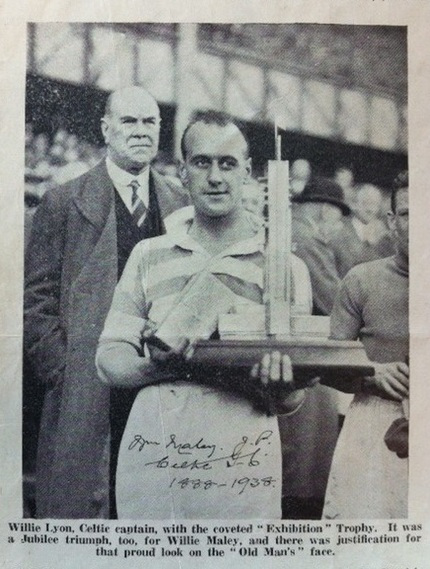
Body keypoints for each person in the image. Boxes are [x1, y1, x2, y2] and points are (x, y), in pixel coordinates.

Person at [96, 111, 314, 519]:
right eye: (202, 162)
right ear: (182, 171)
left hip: (242, 462)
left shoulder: (283, 265)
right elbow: (109, 361)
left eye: (227, 163)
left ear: (247, 172)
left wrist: (278, 383)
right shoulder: (149, 255)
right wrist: (165, 367)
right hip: (157, 458)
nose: (215, 176)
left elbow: (292, 398)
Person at [24, 86, 190, 519]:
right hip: (85, 382)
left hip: (157, 378)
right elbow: (36, 298)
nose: (140, 132)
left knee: (151, 505)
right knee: (82, 505)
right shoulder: (63, 202)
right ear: (106, 129)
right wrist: (62, 368)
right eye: (129, 121)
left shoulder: (179, 203)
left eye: (149, 122)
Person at [323, 171, 409, 519]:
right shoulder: (362, 279)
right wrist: (372, 373)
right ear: (392, 221)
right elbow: (329, 364)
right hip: (375, 425)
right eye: (408, 214)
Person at [292, 177, 350, 315]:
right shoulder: (309, 240)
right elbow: (333, 300)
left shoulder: (290, 228)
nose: (337, 224)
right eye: (338, 217)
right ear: (326, 210)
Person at [330, 183, 393, 278]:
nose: (370, 209)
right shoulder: (339, 231)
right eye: (366, 203)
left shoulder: (384, 235)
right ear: (353, 204)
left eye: (375, 204)